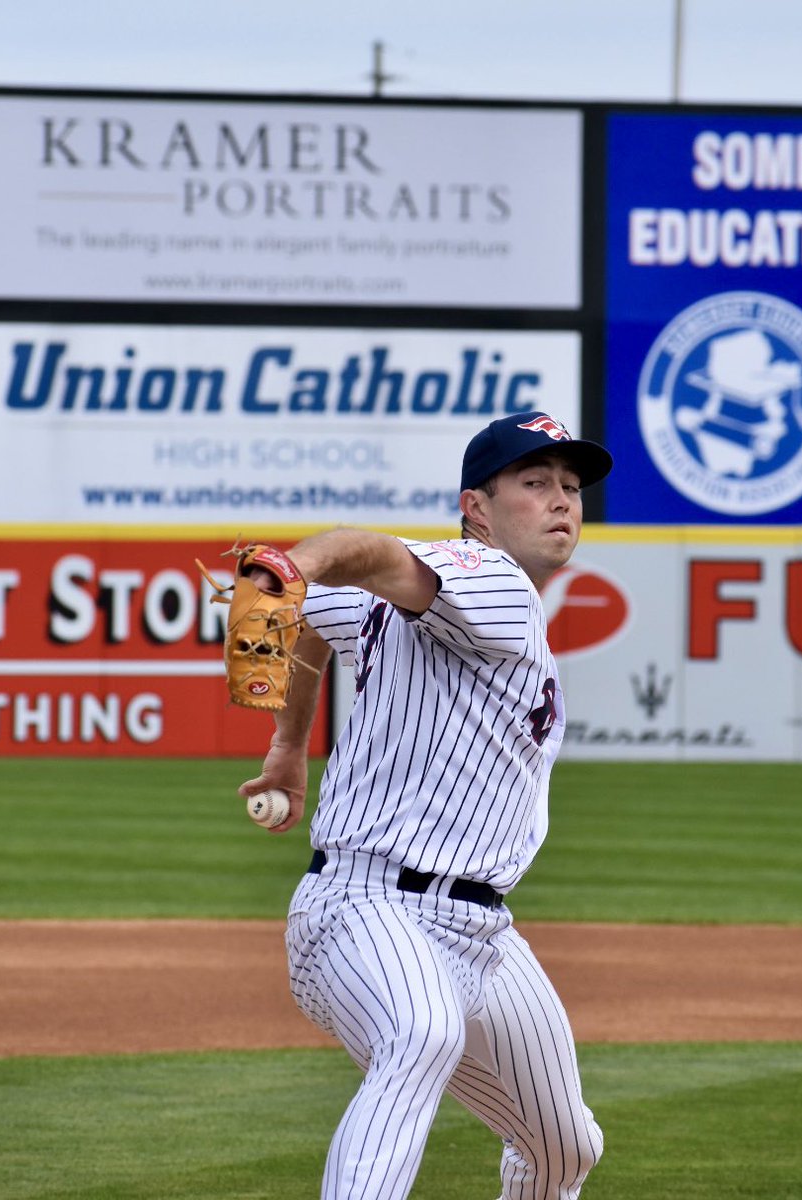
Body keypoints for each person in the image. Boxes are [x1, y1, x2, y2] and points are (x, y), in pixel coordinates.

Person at [239, 410, 613, 1200]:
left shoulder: (454, 596)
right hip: (367, 907)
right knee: (420, 1033)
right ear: (477, 507)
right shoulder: (498, 582)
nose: (561, 501)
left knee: (565, 1144)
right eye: (535, 483)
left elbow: (310, 612)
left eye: (570, 486)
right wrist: (296, 561)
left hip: (482, 931)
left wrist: (289, 746)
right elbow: (354, 552)